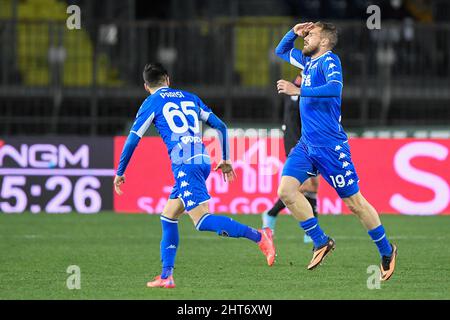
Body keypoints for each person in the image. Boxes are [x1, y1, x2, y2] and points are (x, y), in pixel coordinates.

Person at [114, 63, 276, 288]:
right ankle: (166, 276)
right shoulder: (190, 98)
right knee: (168, 216)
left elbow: (133, 139)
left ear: (145, 86)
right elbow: (220, 126)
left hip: (184, 163)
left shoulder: (151, 102)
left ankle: (260, 236)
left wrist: (120, 171)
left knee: (202, 221)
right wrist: (226, 158)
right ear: (167, 79)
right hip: (200, 158)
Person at [275, 22, 397, 281]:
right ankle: (321, 241)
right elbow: (281, 50)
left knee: (355, 203)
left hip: (332, 148)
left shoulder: (330, 60)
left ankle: (387, 250)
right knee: (286, 191)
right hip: (307, 145)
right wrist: (293, 32)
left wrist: (299, 90)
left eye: (311, 34)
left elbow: (334, 89)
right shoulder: (307, 62)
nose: (306, 38)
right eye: (305, 35)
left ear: (326, 40)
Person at [262, 74, 320, 244]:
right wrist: (295, 144)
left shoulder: (305, 90)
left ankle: (310, 231)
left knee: (313, 185)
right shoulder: (295, 91)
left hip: (311, 142)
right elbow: (292, 120)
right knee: (304, 185)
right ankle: (272, 213)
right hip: (297, 143)